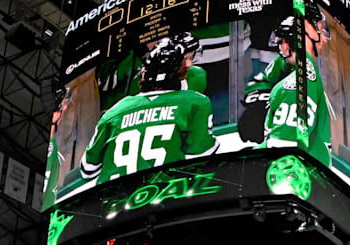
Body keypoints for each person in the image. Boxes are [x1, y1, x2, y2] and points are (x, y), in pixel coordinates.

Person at [79, 35, 218, 188]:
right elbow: (200, 156)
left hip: (112, 202)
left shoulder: (114, 112)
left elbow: (88, 170)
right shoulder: (196, 102)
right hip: (162, 195)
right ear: (180, 71)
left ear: (144, 74)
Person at [241, 14, 331, 167]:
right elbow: (262, 80)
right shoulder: (289, 65)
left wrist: (247, 159)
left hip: (300, 170)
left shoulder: (297, 86)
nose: (280, 47)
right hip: (314, 162)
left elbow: (282, 147)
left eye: (282, 41)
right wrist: (261, 94)